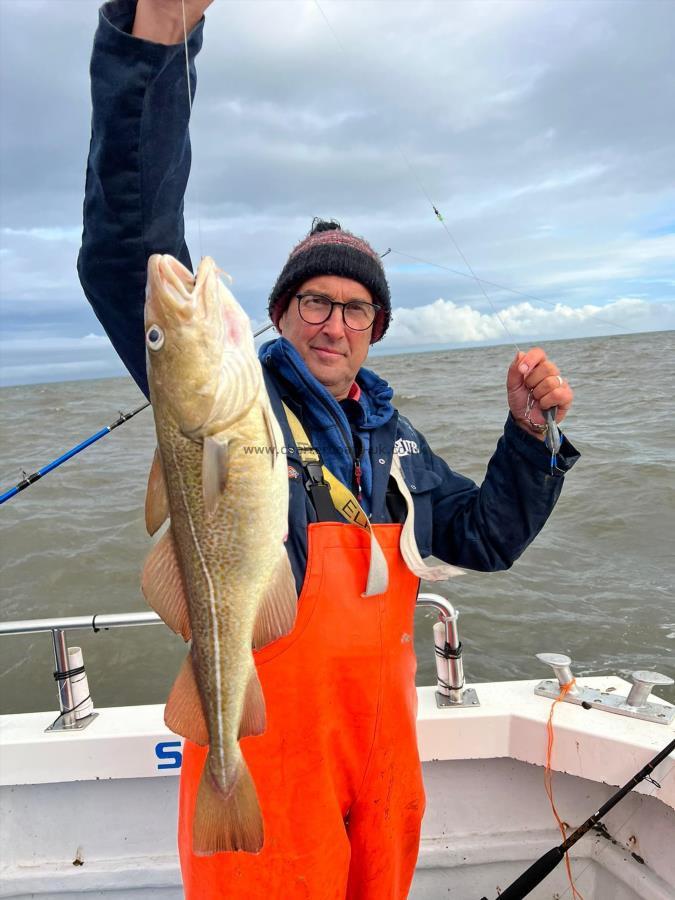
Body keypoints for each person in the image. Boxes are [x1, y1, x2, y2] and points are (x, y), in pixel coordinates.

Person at [78, 2, 578, 897]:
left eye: (354, 308)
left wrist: (529, 438)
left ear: (375, 328)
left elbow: (482, 537)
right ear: (275, 316)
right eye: (313, 301)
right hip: (267, 750)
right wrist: (154, 45)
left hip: (379, 761)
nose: (333, 323)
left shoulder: (396, 439)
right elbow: (126, 249)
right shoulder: (236, 403)